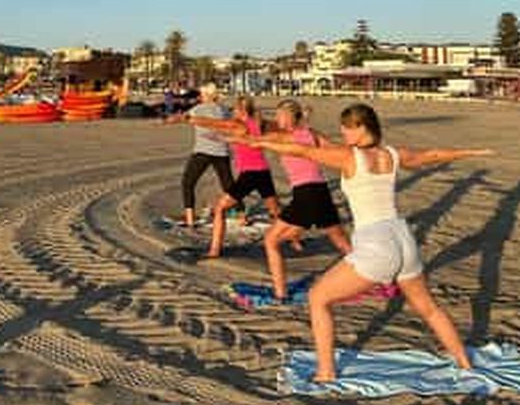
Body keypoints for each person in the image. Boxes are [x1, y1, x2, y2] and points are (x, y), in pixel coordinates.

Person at [248, 102, 494, 382]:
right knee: (428, 308)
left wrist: (258, 142)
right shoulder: (392, 154)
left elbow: (302, 150)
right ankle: (464, 362)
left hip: (376, 244)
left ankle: (326, 372)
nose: (343, 134)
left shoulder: (350, 157)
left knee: (318, 298)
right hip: (403, 239)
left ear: (361, 128)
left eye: (347, 128)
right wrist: (469, 152)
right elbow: (432, 155)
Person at [257, 100, 351, 300]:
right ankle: (380, 280)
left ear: (291, 117)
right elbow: (338, 150)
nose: (277, 119)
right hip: (321, 191)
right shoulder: (312, 134)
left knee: (270, 240)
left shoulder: (284, 137)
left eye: (280, 115)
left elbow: (258, 132)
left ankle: (280, 293)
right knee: (342, 242)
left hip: (306, 194)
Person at [187, 95, 280, 258]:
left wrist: (190, 118)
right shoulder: (259, 122)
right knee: (276, 211)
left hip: (250, 174)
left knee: (220, 209)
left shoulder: (238, 124)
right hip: (263, 171)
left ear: (241, 110)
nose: (233, 112)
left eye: (235, 109)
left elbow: (214, 124)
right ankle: (294, 239)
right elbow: (277, 128)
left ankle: (214, 250)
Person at [166, 83, 234, 227]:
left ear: (207, 95)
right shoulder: (224, 110)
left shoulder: (198, 109)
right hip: (222, 151)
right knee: (228, 185)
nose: (200, 97)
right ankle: (240, 215)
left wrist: (169, 120)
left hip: (203, 151)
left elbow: (182, 117)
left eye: (202, 94)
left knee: (188, 182)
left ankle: (190, 218)